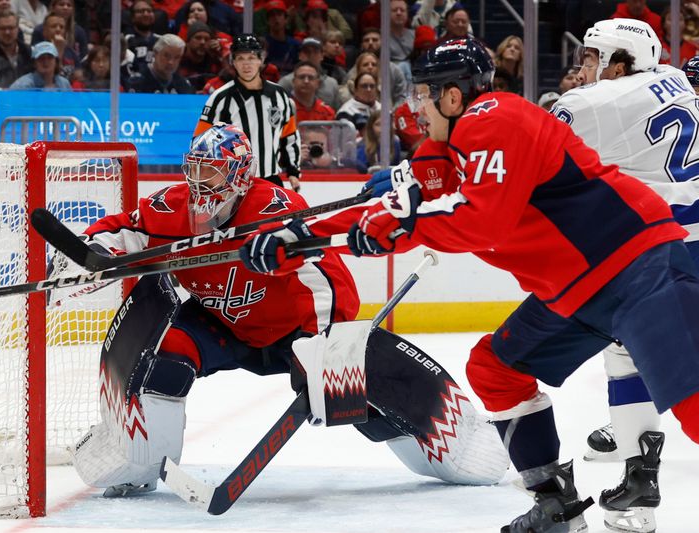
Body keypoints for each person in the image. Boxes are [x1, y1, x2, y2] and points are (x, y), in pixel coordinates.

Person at [240, 37, 699, 533]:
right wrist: (299, 232)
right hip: (577, 290)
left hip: (636, 262)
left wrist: (398, 225)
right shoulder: (448, 148)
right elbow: (395, 206)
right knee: (495, 369)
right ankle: (554, 505)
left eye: (424, 95)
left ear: (453, 96)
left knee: (693, 403)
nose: (417, 107)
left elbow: (482, 223)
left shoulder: (497, 117)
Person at [70, 122, 509, 497]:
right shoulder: (169, 207)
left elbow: (327, 278)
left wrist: (325, 351)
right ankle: (138, 462)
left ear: (240, 176)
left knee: (357, 388)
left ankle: (456, 443)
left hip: (292, 335)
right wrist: (90, 254)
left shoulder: (275, 212)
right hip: (219, 326)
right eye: (195, 171)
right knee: (166, 352)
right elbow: (124, 230)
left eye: (213, 173)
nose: (200, 184)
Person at [551, 18, 699, 532]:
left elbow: (536, 158)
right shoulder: (678, 81)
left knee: (669, 377)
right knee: (624, 350)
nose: (582, 69)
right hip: (682, 247)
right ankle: (639, 479)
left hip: (672, 258)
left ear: (619, 64)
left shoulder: (593, 105)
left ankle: (640, 480)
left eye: (592, 59)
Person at [196, 34, 301, 191]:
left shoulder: (279, 95)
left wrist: (293, 171)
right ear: (233, 62)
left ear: (261, 60)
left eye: (251, 58)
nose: (246, 64)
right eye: (240, 58)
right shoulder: (221, 98)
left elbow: (289, 135)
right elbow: (201, 140)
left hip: (270, 178)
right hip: (232, 182)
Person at [125, 34, 194, 94]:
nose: (171, 62)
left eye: (177, 57)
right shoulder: (137, 83)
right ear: (155, 53)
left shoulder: (183, 85)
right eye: (166, 56)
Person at [0, 10, 34, 89]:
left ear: (18, 29)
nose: (7, 32)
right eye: (2, 28)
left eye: (11, 28)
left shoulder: (29, 52)